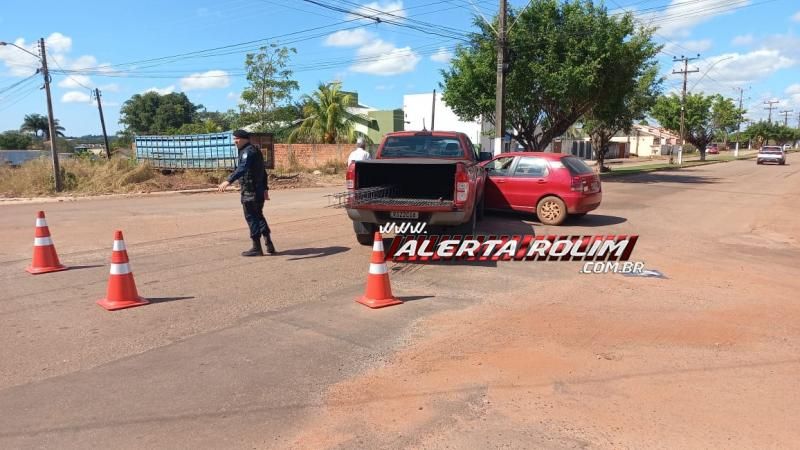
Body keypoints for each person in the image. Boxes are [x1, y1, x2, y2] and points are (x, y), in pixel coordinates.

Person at [218, 130, 276, 256]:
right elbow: (263, 171)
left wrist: (228, 181)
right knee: (259, 216)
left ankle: (256, 248)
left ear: (244, 139)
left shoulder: (248, 152)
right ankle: (269, 243)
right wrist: (265, 189)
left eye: (236, 139)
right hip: (258, 190)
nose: (235, 142)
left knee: (251, 217)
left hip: (251, 191)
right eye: (234, 139)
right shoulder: (254, 150)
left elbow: (242, 168)